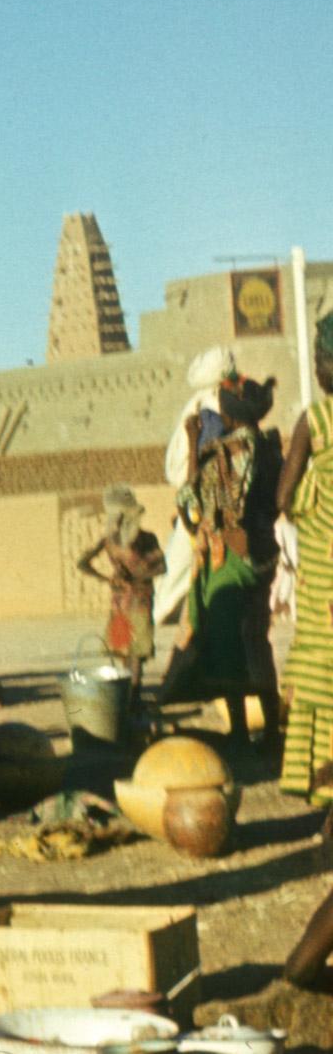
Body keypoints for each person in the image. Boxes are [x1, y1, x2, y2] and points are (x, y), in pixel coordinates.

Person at [163, 372, 284, 746]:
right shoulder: (270, 448)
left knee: (227, 644)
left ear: (230, 416)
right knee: (257, 641)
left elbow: (190, 503)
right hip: (261, 555)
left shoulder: (223, 454)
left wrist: (193, 440)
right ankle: (272, 728)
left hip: (226, 559)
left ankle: (237, 730)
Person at [279, 316, 333, 834]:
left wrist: (303, 500)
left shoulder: (313, 420)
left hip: (325, 583)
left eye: (320, 360)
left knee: (323, 679)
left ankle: (327, 791)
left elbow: (282, 497)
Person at [155, 347, 237, 629]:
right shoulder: (211, 407)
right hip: (203, 497)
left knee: (182, 562)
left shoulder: (206, 407)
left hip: (202, 497)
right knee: (181, 562)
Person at [74, 484, 166, 701]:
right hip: (134, 603)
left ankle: (130, 698)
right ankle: (131, 698)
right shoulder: (133, 540)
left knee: (133, 653)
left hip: (130, 602)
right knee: (131, 653)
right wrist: (112, 578)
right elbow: (161, 567)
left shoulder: (125, 541)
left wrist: (117, 578)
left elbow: (161, 567)